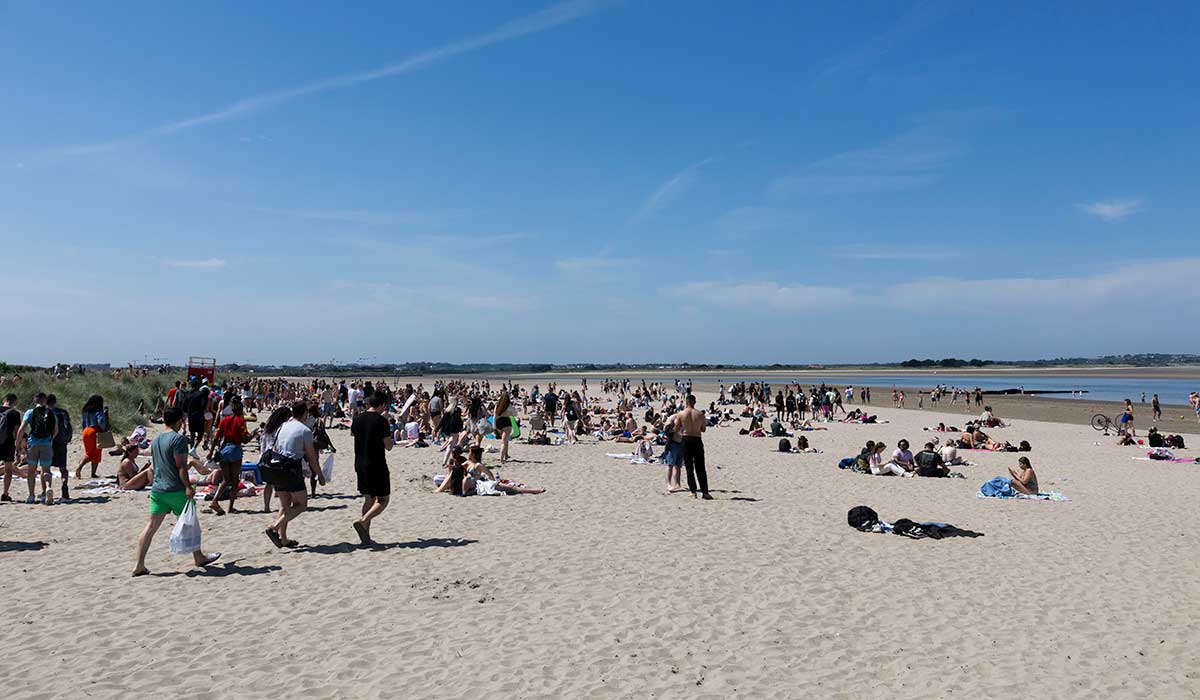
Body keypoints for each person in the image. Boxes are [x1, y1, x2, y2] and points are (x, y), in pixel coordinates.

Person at [132, 408, 221, 576]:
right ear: (179, 421)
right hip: (175, 489)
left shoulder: (157, 439)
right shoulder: (178, 439)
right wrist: (188, 487)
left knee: (150, 527)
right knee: (191, 523)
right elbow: (180, 466)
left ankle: (139, 565)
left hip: (158, 490)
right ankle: (199, 557)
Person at [264, 402, 324, 549]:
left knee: (285, 506)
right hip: (291, 468)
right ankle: (274, 527)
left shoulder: (282, 426)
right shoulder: (305, 430)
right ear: (305, 414)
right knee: (301, 504)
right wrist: (320, 475)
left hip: (277, 466)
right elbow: (311, 457)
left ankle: (283, 539)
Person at [351, 393, 394, 545]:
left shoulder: (357, 418)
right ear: (382, 404)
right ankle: (363, 521)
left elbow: (353, 434)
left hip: (360, 462)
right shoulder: (381, 421)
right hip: (376, 463)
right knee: (383, 499)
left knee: (368, 498)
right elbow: (388, 446)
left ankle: (366, 537)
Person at [207, 399, 253, 516]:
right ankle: (231, 507)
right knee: (235, 480)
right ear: (240, 409)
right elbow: (244, 440)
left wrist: (211, 452)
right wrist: (253, 434)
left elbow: (216, 438)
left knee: (225, 480)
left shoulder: (224, 421)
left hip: (224, 449)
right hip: (235, 450)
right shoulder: (241, 421)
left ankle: (215, 500)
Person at [15, 392, 58, 504]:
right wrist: (50, 439)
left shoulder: (30, 412)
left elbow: (21, 429)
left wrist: (18, 444)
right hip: (47, 444)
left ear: (35, 401)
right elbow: (56, 430)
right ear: (45, 401)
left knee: (31, 471)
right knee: (46, 470)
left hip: (33, 443)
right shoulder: (51, 413)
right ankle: (47, 489)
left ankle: (31, 496)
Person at [672, 394, 711, 499]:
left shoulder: (681, 414)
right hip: (697, 439)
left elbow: (676, 429)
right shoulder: (700, 414)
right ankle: (705, 492)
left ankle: (693, 492)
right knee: (700, 467)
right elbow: (703, 429)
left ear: (686, 402)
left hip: (686, 439)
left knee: (689, 467)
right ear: (694, 402)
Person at [47, 394, 74, 500]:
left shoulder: (45, 412)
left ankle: (48, 489)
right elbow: (68, 426)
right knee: (63, 468)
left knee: (46, 469)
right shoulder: (63, 412)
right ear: (55, 401)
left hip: (49, 443)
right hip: (62, 442)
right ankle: (64, 484)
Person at [75, 394, 108, 480]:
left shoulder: (86, 411)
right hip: (95, 431)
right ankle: (90, 472)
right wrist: (104, 429)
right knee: (96, 453)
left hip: (86, 431)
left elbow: (83, 423)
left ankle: (82, 468)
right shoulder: (99, 411)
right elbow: (101, 422)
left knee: (88, 453)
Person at [0, 394, 21, 502]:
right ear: (14, 402)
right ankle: (5, 493)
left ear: (4, 400)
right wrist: (19, 448)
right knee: (8, 469)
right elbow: (18, 431)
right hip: (7, 444)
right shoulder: (15, 414)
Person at [494, 389, 517, 464]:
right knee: (503, 441)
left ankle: (506, 455)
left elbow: (495, 416)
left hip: (498, 422)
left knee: (505, 439)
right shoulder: (510, 406)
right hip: (506, 422)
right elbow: (515, 414)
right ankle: (501, 459)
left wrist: (494, 427)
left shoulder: (497, 405)